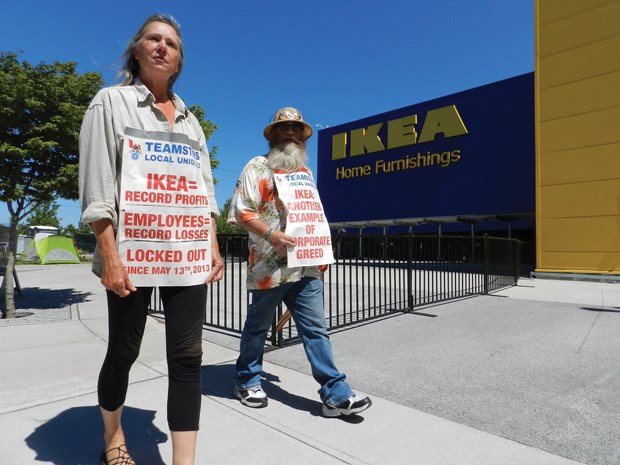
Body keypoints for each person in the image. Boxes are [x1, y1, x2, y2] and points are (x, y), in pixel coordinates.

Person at [79, 14, 223, 465]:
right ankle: (114, 436)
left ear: (179, 61)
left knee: (187, 356)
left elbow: (204, 191)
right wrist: (110, 253)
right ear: (137, 50)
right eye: (153, 39)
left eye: (172, 44)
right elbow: (98, 186)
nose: (162, 47)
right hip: (130, 253)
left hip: (185, 251)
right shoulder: (110, 103)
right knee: (124, 351)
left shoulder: (191, 123)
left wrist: (212, 243)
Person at [228, 107, 372, 418]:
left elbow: (312, 217)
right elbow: (241, 211)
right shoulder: (258, 166)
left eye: (295, 128)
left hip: (307, 264)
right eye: (283, 128)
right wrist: (271, 234)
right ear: (273, 136)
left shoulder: (304, 174)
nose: (290, 133)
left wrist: (321, 252)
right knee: (257, 327)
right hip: (270, 263)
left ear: (302, 137)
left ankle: (335, 392)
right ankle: (247, 379)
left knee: (316, 329)